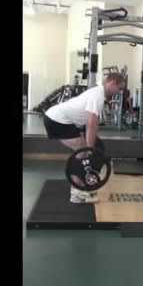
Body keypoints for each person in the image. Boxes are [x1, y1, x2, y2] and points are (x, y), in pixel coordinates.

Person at [43, 73, 126, 203]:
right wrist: (90, 149)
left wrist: (90, 146)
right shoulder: (98, 95)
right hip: (57, 120)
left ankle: (77, 188)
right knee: (83, 151)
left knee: (82, 151)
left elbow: (92, 124)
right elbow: (91, 125)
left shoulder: (98, 93)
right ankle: (77, 193)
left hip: (63, 121)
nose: (119, 92)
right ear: (112, 83)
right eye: (119, 88)